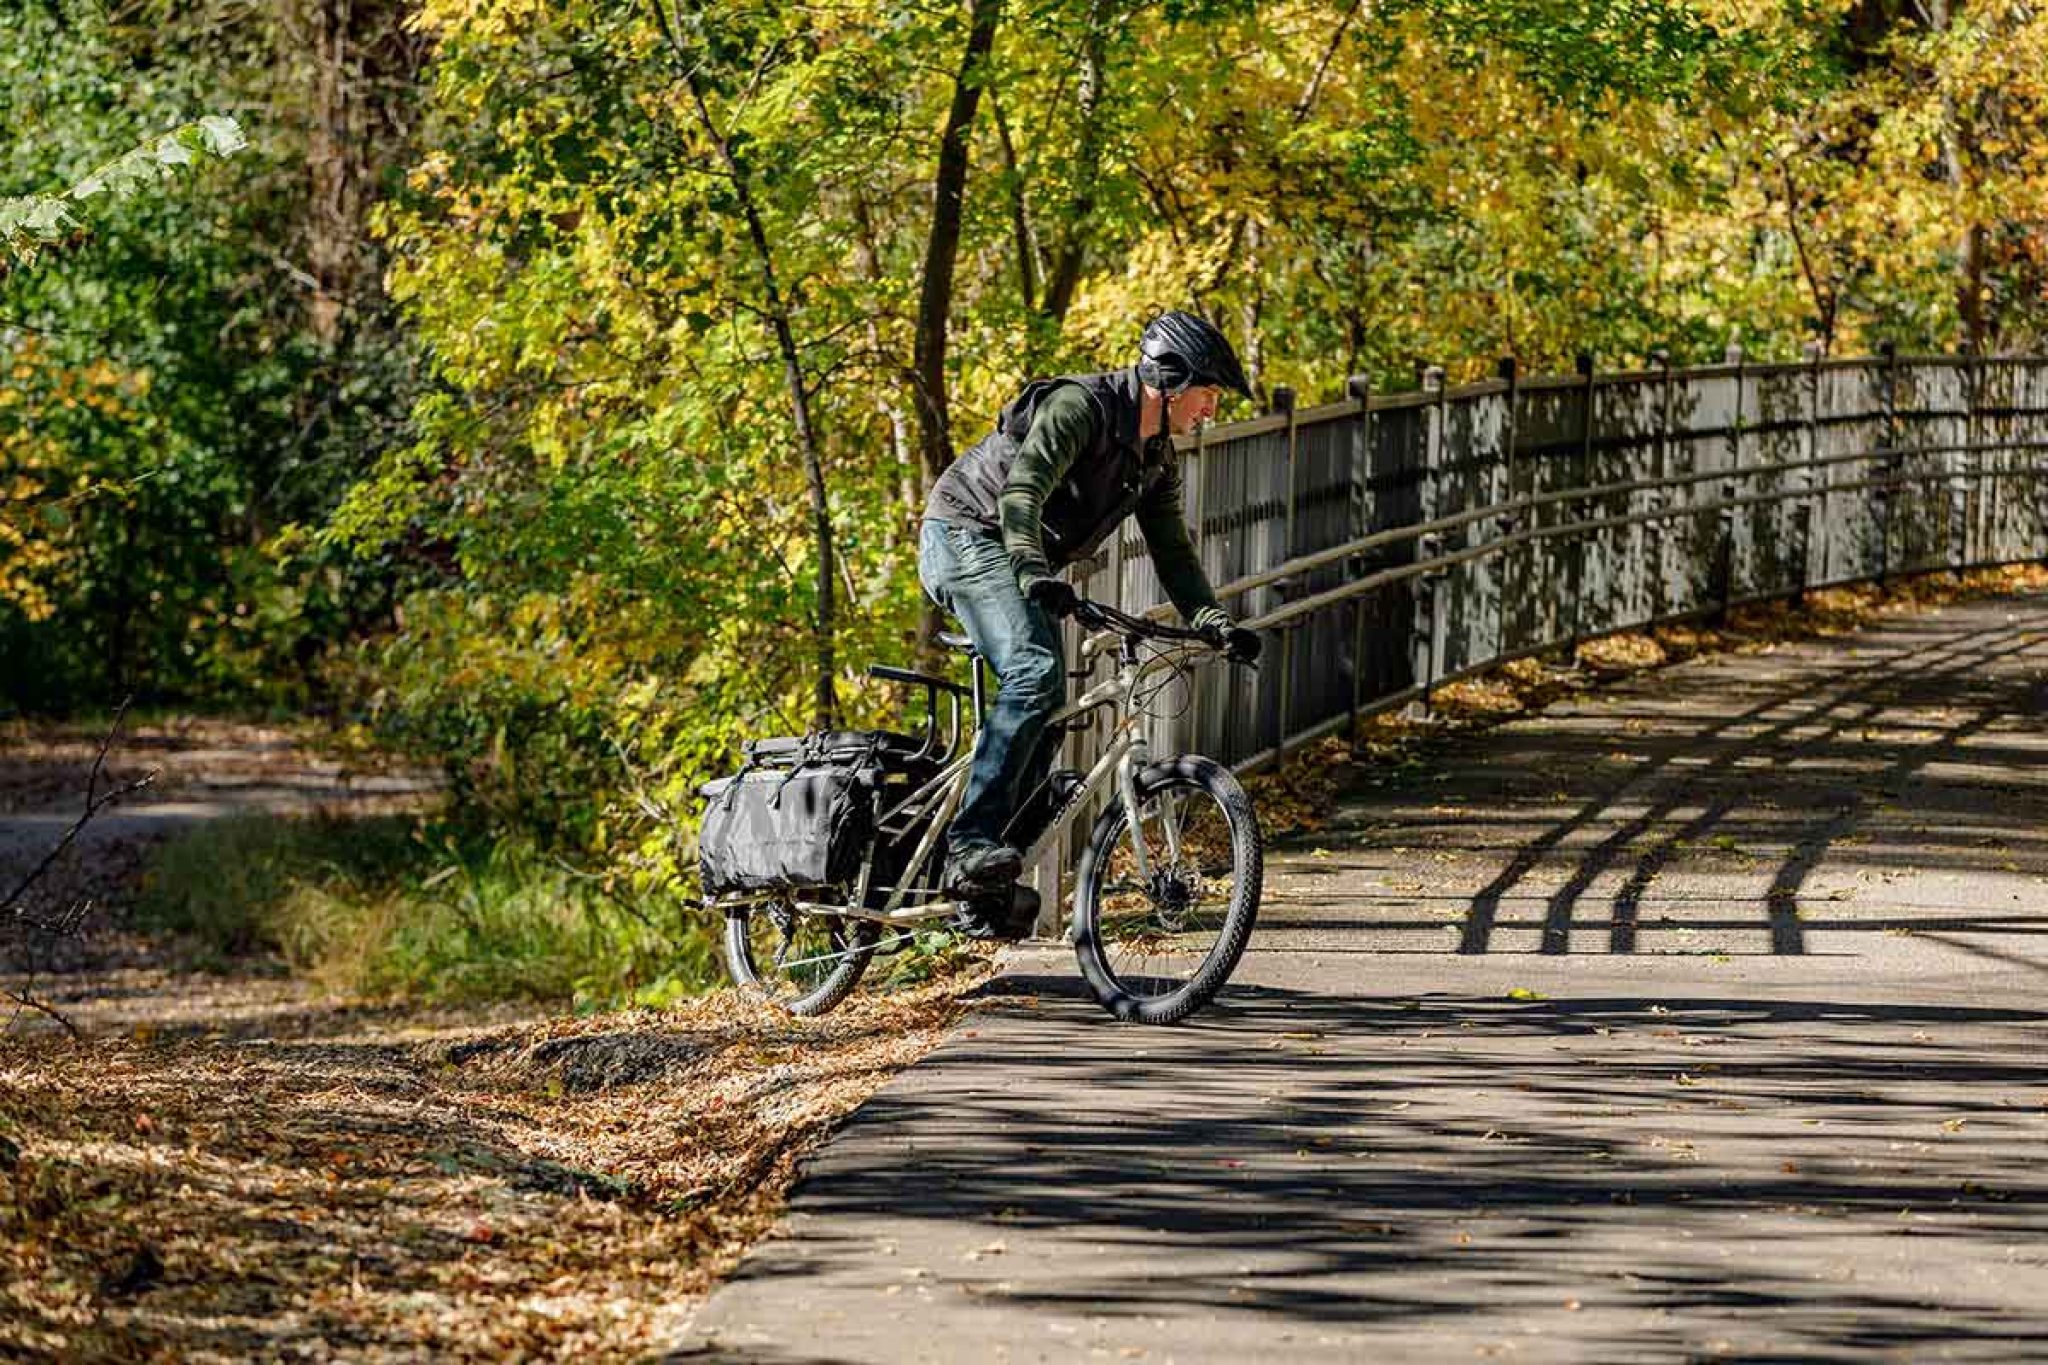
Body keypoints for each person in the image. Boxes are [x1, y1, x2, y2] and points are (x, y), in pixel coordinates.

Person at [918, 309, 1263, 933]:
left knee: (1049, 708)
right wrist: (1030, 567)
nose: (1210, 412)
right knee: (1034, 673)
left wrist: (1213, 620)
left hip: (1021, 556)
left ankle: (987, 886)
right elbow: (1020, 492)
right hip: (967, 531)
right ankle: (968, 847)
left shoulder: (1155, 458)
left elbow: (1173, 550)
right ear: (1171, 377)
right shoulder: (1081, 407)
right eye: (1208, 395)